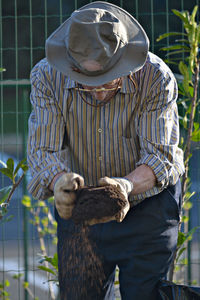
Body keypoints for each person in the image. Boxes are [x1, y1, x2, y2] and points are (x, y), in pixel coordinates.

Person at [27, 1, 185, 299]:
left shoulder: (155, 77)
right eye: (87, 84)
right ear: (71, 64)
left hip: (147, 209)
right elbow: (43, 151)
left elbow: (160, 156)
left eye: (106, 81)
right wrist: (59, 182)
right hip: (82, 208)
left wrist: (125, 186)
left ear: (125, 61)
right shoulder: (47, 77)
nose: (98, 91)